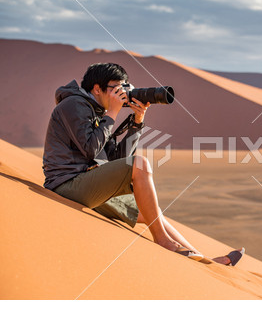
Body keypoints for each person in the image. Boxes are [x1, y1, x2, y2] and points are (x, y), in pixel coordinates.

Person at [43, 62, 244, 266]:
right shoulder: (73, 105)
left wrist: (137, 122)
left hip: (88, 185)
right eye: (116, 88)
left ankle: (205, 260)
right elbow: (90, 149)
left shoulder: (97, 112)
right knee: (140, 164)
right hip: (66, 185)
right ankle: (163, 241)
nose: (121, 93)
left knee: (151, 211)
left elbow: (115, 160)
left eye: (124, 87)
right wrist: (112, 113)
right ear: (97, 88)